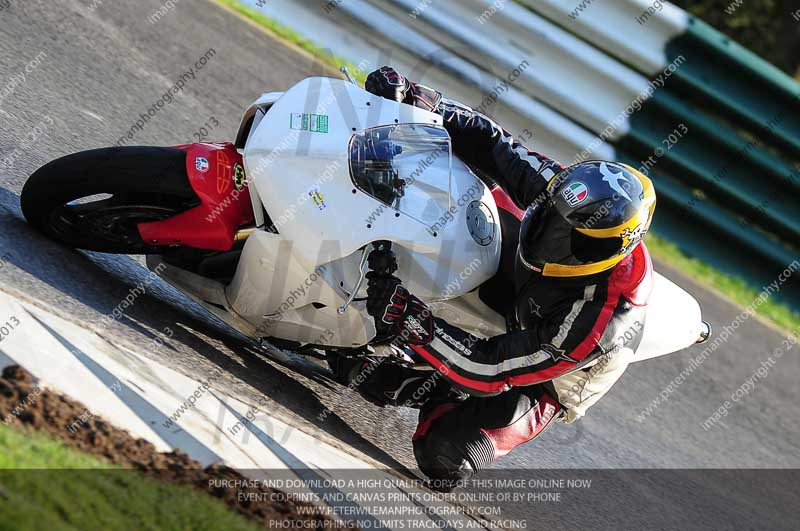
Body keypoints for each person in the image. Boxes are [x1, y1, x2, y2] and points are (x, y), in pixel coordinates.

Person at [343, 66, 656, 484]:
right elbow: (491, 143)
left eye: (567, 237)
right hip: (533, 283)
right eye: (550, 218)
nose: (550, 233)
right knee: (465, 192)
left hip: (552, 373)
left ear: (602, 250)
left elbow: (494, 370)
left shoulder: (598, 320)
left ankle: (439, 389)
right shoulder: (565, 191)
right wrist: (421, 100)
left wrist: (412, 322)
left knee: (444, 455)